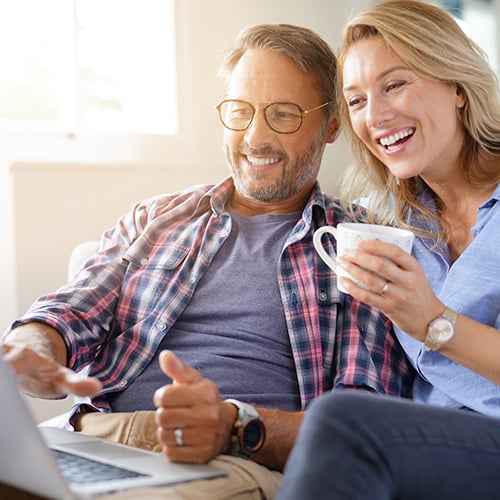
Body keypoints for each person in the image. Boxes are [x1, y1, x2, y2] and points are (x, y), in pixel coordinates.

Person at [0, 22, 414, 499]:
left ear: (332, 124)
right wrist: (35, 348)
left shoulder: (358, 244)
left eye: (283, 114)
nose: (256, 137)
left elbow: (362, 422)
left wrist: (236, 428)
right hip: (96, 442)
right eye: (240, 112)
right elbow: (66, 314)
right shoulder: (157, 218)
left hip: (233, 459)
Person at [277, 1, 500, 499]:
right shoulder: (387, 221)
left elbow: (431, 327)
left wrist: (433, 322)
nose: (375, 116)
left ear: (458, 86)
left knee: (342, 422)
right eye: (355, 101)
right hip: (430, 445)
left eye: (394, 84)